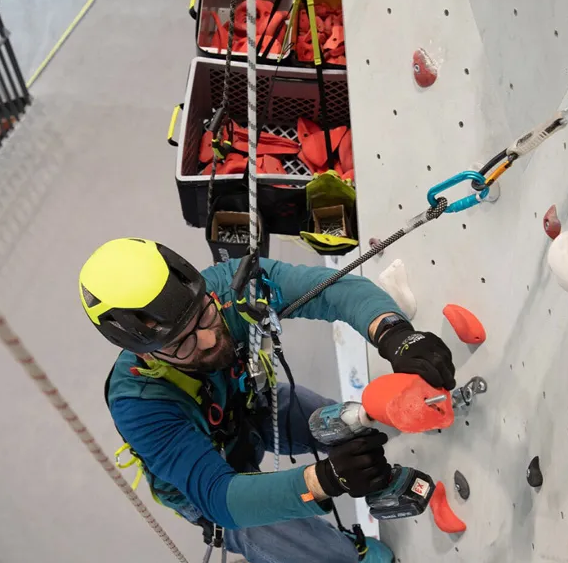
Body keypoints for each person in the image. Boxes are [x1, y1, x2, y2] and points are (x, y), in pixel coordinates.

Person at [79, 237, 456, 563]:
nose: (208, 339)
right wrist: (326, 479)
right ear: (144, 354)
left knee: (348, 426)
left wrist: (393, 333)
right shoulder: (140, 405)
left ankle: (370, 482)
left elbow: (329, 289)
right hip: (213, 488)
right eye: (181, 343)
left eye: (204, 315)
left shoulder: (228, 289)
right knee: (311, 549)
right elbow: (220, 497)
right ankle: (346, 552)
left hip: (249, 408)